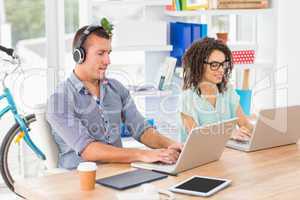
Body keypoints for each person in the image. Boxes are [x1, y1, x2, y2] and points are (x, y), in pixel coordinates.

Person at [46, 23, 182, 170]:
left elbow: (142, 130)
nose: (107, 61)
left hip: (117, 173)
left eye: (108, 53)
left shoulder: (116, 88)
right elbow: (89, 150)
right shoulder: (60, 100)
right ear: (79, 56)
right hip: (78, 180)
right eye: (100, 53)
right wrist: (143, 154)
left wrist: (174, 145)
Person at [179, 37, 253, 142]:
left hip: (228, 153)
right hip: (199, 156)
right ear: (199, 65)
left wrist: (262, 133)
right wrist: (227, 134)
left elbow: (244, 124)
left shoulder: (228, 91)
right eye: (214, 65)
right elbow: (197, 136)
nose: (221, 70)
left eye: (223, 64)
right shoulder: (186, 98)